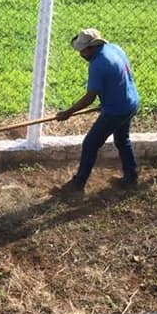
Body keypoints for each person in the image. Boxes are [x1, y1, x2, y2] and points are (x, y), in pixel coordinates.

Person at [53, 28, 140, 195]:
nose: (81, 55)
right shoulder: (114, 48)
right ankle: (131, 177)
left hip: (117, 110)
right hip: (131, 102)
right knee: (122, 139)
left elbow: (89, 98)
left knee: (90, 143)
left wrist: (68, 112)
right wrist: (108, 99)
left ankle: (78, 184)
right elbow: (120, 77)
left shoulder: (98, 64)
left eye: (82, 51)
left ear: (92, 47)